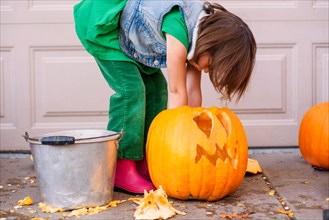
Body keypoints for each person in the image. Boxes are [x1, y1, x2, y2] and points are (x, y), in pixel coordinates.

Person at [73, 0, 256, 193]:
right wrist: (177, 140)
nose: (206, 70)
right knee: (131, 91)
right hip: (106, 25)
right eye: (210, 65)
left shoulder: (199, 44)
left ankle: (146, 158)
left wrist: (194, 133)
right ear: (211, 43)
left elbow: (192, 92)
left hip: (133, 37)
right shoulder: (178, 32)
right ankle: (121, 164)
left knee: (157, 88)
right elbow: (177, 91)